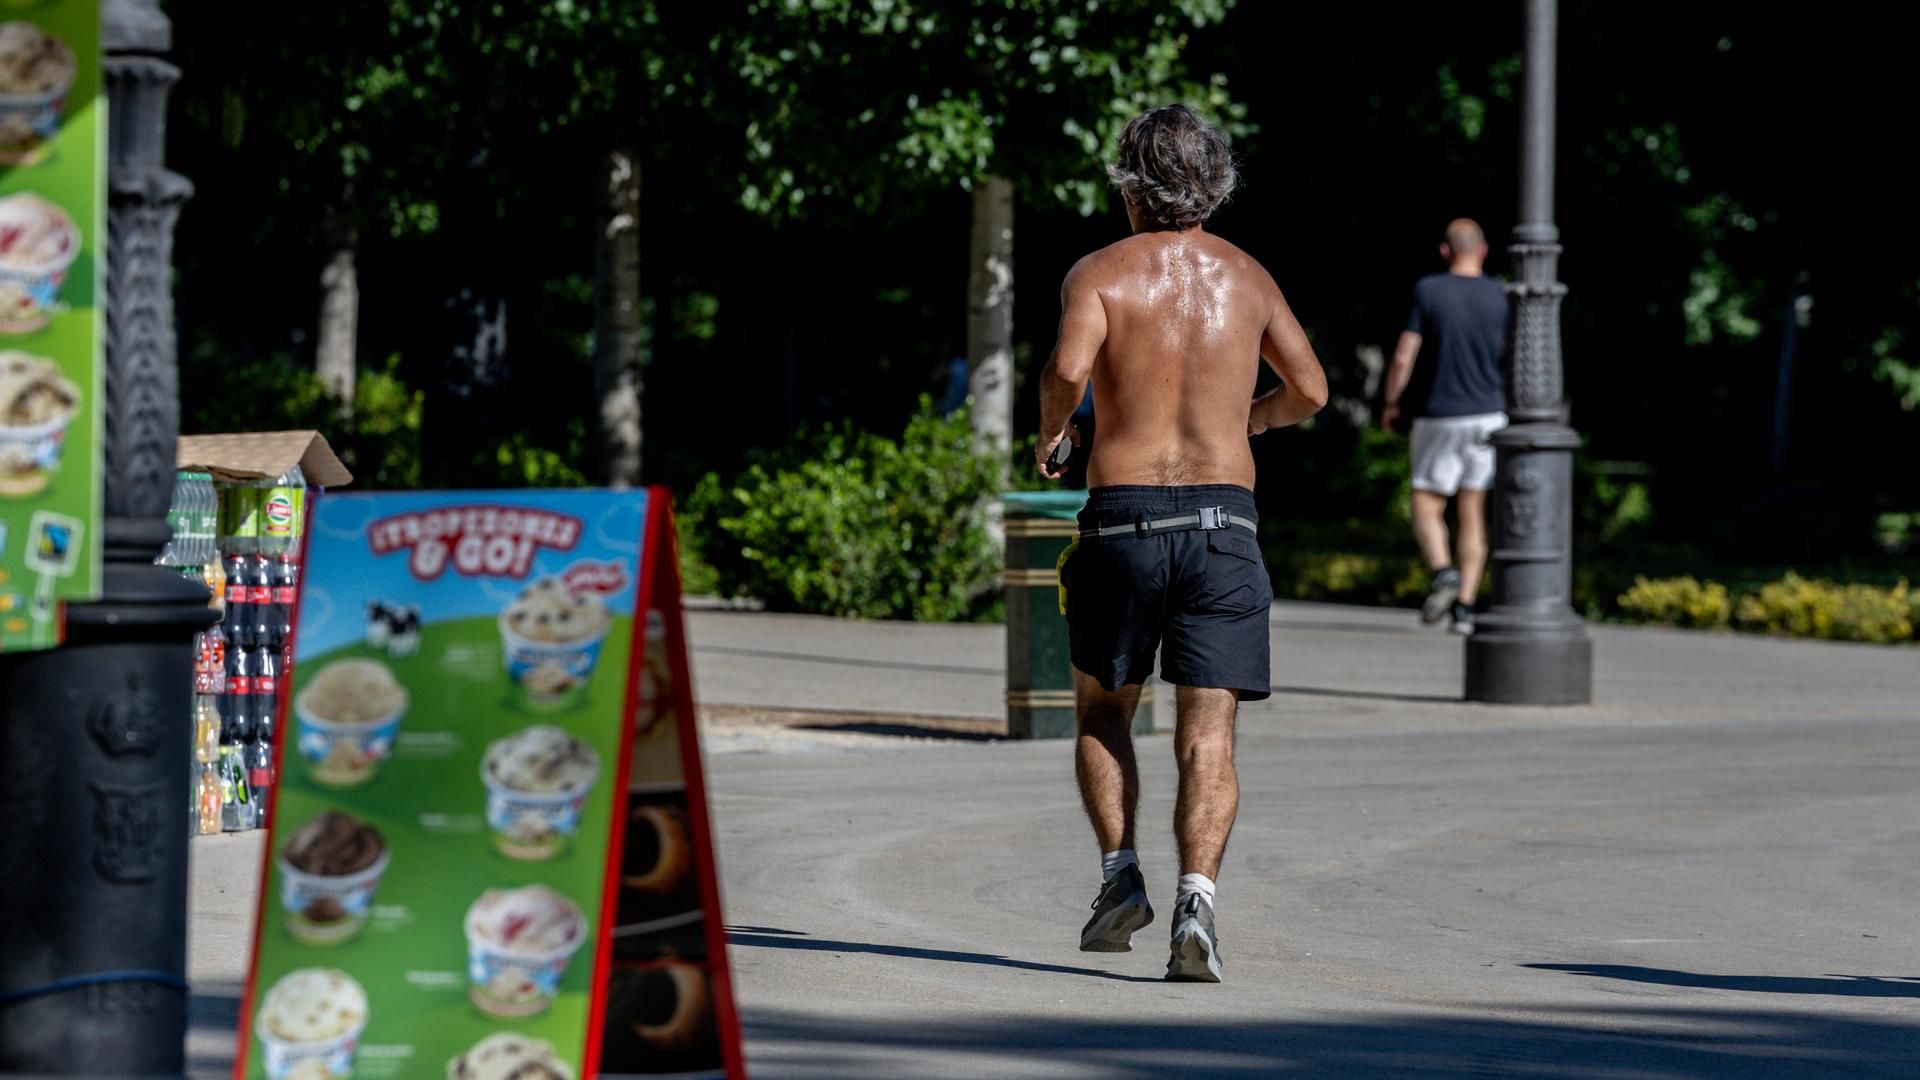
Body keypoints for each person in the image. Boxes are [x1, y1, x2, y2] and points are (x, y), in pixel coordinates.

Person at [1036, 104, 1327, 982]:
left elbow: (1065, 372)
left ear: (1130, 187)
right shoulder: (1249, 279)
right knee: (1210, 736)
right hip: (1224, 526)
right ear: (1214, 187)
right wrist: (1251, 421)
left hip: (1123, 516)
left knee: (1101, 709)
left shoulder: (1098, 273)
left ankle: (1121, 877)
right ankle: (1198, 902)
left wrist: (1051, 436)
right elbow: (1309, 391)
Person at [1380, 219, 1509, 635]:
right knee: (1473, 512)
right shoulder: (1500, 296)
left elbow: (1404, 355)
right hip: (1490, 415)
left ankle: (1443, 572)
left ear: (1445, 251)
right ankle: (1466, 609)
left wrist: (1392, 401)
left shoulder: (1429, 290)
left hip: (1439, 415)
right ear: (1483, 250)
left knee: (1427, 503)